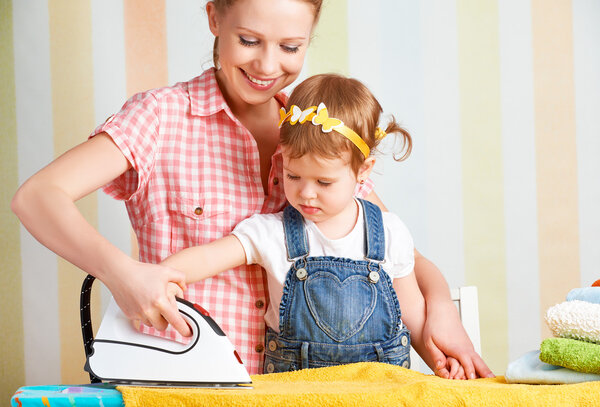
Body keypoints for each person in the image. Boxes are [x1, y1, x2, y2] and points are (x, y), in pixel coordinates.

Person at [11, 0, 492, 378]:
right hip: (182, 381)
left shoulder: (317, 133)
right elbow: (37, 196)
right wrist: (123, 275)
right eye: (248, 39)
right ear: (214, 18)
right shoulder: (159, 118)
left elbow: (391, 250)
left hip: (293, 393)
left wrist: (440, 319)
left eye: (290, 47)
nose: (267, 64)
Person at [161, 73, 466, 378]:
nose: (306, 193)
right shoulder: (273, 233)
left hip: (379, 392)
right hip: (295, 395)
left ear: (363, 170)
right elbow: (207, 257)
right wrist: (158, 278)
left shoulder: (389, 233)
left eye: (323, 181)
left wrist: (441, 362)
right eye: (293, 176)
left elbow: (411, 315)